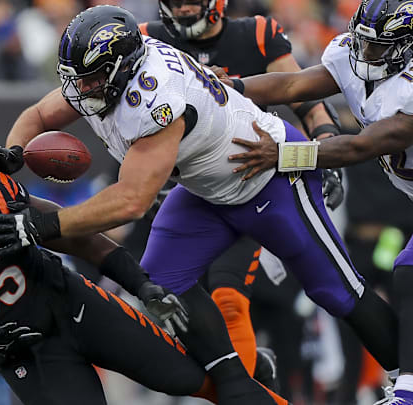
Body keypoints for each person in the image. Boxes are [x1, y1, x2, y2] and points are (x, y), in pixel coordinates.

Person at [0, 4, 399, 403]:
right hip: (207, 189)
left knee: (338, 291)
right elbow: (40, 115)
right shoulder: (105, 72)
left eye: (92, 80)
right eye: (76, 78)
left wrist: (44, 226)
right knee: (161, 277)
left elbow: (131, 201)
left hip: (270, 177)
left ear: (122, 70)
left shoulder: (155, 98)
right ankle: (233, 376)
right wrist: (13, 153)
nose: (81, 90)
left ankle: (408, 380)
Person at [0, 159, 285, 405]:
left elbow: (83, 239)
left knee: (196, 381)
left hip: (78, 307)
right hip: (30, 354)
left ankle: (257, 376)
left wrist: (141, 286)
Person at [210, 0, 413, 402]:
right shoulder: (350, 55)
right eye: (361, 41)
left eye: (376, 47)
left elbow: (359, 148)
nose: (363, 53)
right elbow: (292, 85)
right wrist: (234, 87)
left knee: (408, 274)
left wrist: (283, 155)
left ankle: (407, 390)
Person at [138, 0, 343, 395]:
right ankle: (251, 378)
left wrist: (326, 147)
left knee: (229, 298)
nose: (182, 10)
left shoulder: (255, 35)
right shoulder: (147, 42)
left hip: (249, 187)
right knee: (170, 310)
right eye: (174, 2)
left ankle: (247, 392)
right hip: (180, 199)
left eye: (190, 1)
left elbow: (305, 99)